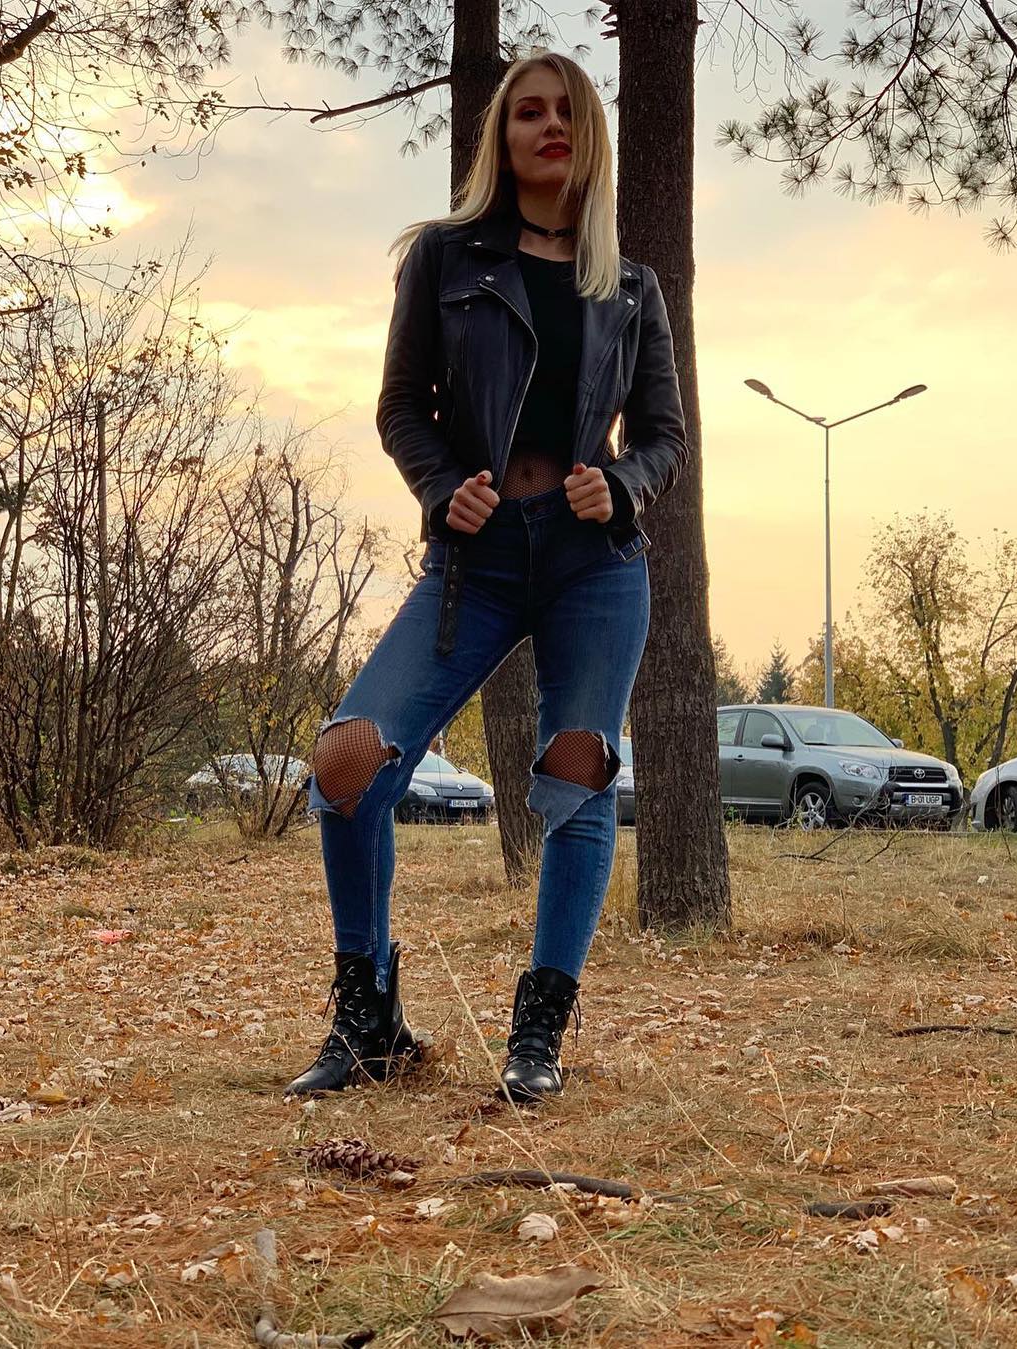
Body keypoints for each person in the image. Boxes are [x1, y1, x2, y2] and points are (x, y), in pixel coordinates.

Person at [286, 50, 688, 1105]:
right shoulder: (445, 258)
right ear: (501, 139)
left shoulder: (631, 286)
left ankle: (538, 1031)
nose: (548, 127)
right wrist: (440, 487)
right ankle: (368, 1018)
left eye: (566, 112)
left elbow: (664, 434)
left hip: (594, 564)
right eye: (527, 113)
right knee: (349, 760)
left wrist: (623, 485)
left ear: (588, 136)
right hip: (478, 559)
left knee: (577, 774)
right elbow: (400, 406)